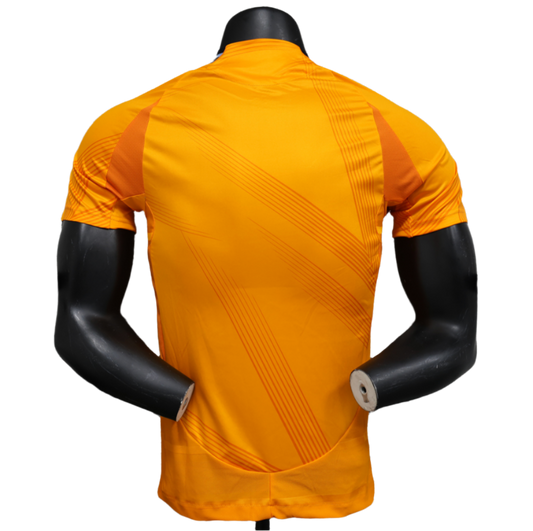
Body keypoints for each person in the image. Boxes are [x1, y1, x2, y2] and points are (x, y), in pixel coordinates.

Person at [52, 3, 479, 529]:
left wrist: (171, 397)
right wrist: (375, 386)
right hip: (336, 478)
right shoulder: (400, 130)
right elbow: (455, 328)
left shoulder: (125, 127)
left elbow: (79, 320)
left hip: (200, 480)